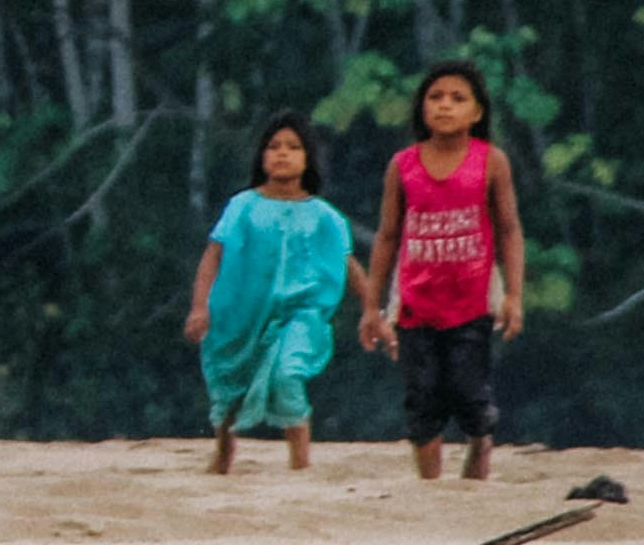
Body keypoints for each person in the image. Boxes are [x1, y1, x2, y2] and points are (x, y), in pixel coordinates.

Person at [358, 61, 528, 480]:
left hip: (472, 298)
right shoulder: (403, 165)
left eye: (458, 99)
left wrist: (513, 296)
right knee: (422, 396)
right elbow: (387, 236)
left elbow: (509, 229)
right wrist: (371, 307)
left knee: (469, 392)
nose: (445, 106)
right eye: (435, 98)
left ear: (477, 112)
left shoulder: (491, 162)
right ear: (421, 109)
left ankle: (479, 447)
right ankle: (430, 487)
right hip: (415, 301)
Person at [184, 112, 354, 473]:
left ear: (308, 158)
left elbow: (346, 263)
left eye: (293, 147)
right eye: (274, 146)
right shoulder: (242, 206)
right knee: (230, 384)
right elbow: (213, 256)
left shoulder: (324, 216)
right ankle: (223, 452)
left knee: (288, 373)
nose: (282, 154)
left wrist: (374, 311)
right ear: (261, 157)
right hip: (240, 314)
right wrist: (200, 307)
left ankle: (300, 463)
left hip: (299, 313)